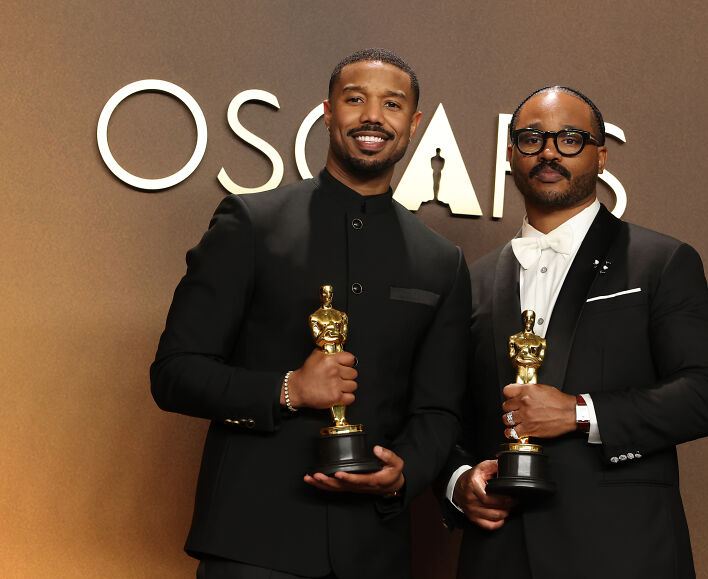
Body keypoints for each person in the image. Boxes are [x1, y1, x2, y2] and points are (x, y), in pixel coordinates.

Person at [151, 48, 471, 579]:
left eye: (391, 104)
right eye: (355, 100)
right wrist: (287, 389)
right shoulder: (250, 223)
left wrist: (404, 473)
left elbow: (438, 410)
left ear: (413, 123)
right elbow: (174, 373)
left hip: (376, 550)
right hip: (252, 543)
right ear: (327, 112)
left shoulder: (443, 261)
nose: (373, 116)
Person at [441, 86, 708, 579]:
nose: (550, 151)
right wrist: (457, 482)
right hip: (499, 556)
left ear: (601, 156)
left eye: (570, 139)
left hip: (623, 553)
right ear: (511, 155)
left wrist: (580, 412)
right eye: (532, 138)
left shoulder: (661, 261)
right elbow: (445, 414)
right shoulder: (472, 280)